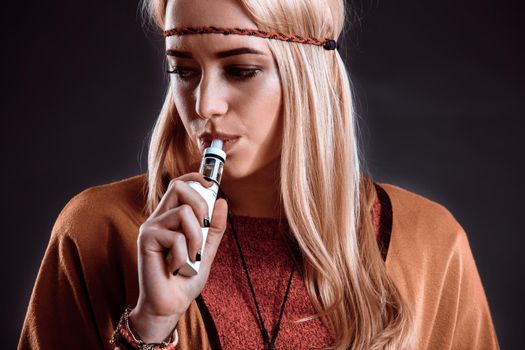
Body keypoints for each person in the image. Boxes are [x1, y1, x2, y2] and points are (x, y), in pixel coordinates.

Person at [18, 0, 500, 349]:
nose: (205, 105)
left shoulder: (432, 245)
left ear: (309, 76)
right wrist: (150, 327)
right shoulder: (98, 232)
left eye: (242, 70)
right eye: (183, 71)